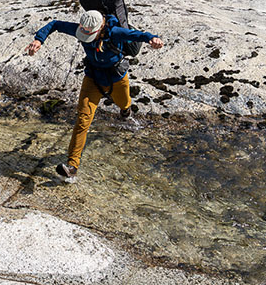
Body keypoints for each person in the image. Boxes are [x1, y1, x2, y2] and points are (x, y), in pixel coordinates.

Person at [25, 9, 164, 182]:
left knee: (124, 103)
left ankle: (126, 111)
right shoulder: (80, 29)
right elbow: (55, 24)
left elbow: (139, 35)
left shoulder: (115, 32)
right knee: (82, 120)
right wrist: (39, 39)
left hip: (116, 79)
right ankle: (72, 166)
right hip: (92, 79)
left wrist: (153, 38)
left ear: (99, 29)